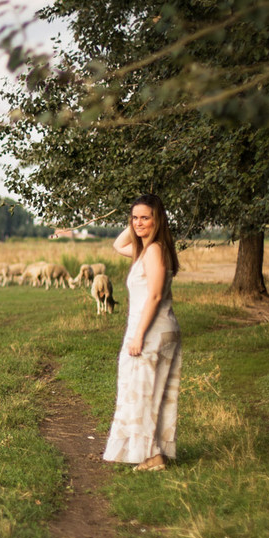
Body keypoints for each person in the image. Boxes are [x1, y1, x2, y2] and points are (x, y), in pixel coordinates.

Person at [102, 194, 182, 472]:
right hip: (154, 329)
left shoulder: (155, 250)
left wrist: (138, 336)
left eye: (145, 218)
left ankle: (153, 456)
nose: (138, 223)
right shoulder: (148, 249)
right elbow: (118, 244)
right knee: (148, 393)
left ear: (157, 219)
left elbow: (156, 295)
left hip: (151, 331)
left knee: (143, 394)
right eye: (134, 218)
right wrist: (138, 221)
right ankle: (152, 453)